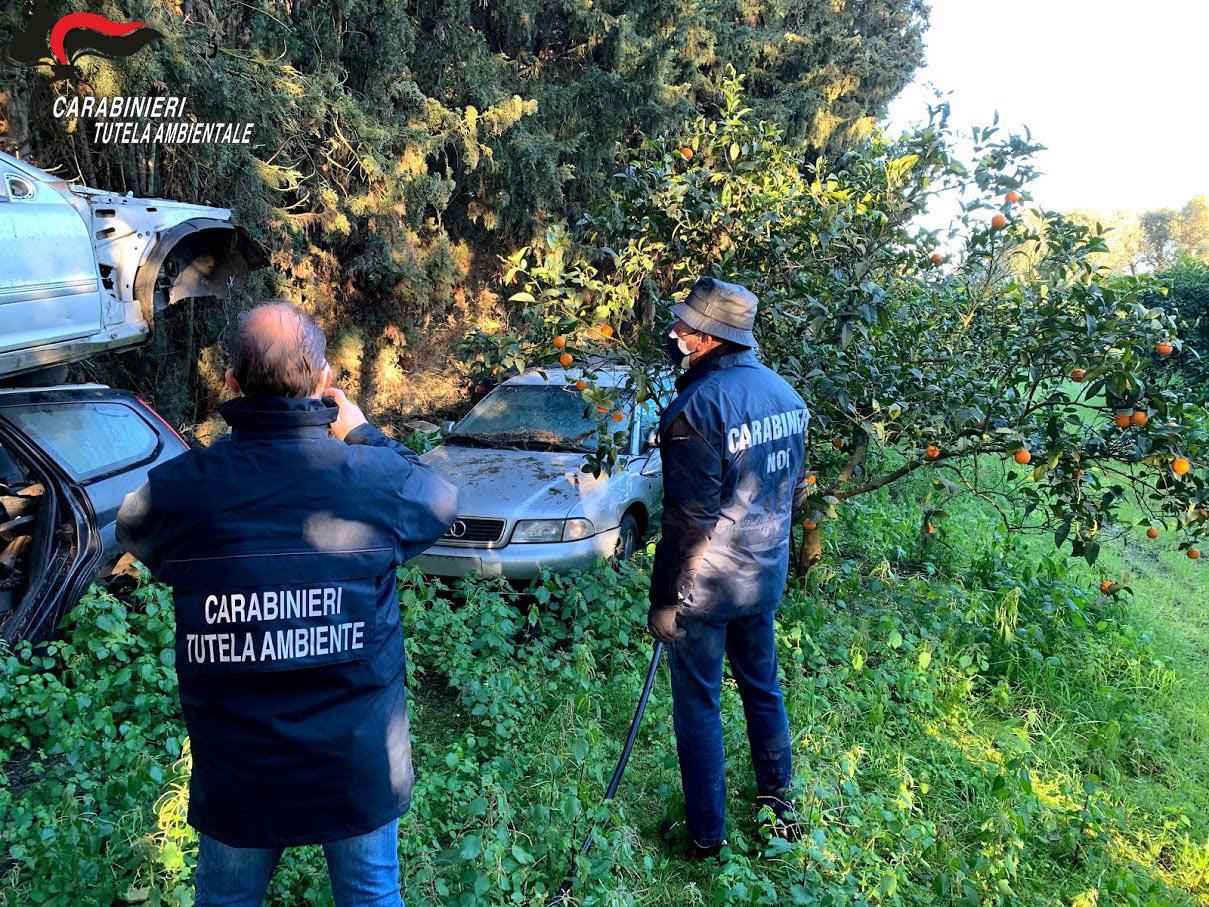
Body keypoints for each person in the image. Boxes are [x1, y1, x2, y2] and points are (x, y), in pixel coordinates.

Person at [116, 301, 458, 906]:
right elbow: (438, 500)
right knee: (372, 895)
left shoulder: (183, 489)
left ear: (230, 383)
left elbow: (134, 528)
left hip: (240, 762)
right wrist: (361, 431)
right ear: (325, 382)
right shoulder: (374, 478)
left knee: (226, 900)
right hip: (357, 758)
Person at [648, 276, 810, 859]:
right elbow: (792, 496)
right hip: (763, 575)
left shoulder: (696, 409)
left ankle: (706, 835)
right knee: (763, 690)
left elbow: (686, 520)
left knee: (699, 704)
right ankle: (781, 816)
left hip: (708, 588)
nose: (674, 334)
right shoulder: (788, 397)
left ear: (709, 339)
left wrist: (665, 600)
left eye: (684, 328)